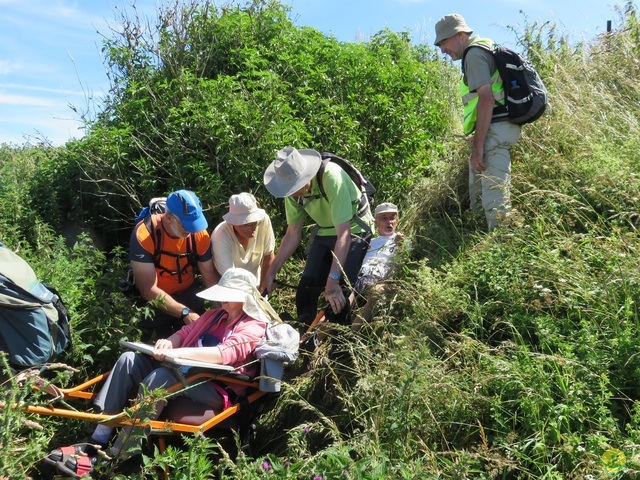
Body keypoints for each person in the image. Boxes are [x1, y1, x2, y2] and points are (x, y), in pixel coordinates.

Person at [47, 268, 274, 476]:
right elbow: (186, 332)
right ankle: (98, 439)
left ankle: (119, 455)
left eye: (229, 294)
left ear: (244, 297)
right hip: (183, 371)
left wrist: (180, 354)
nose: (223, 298)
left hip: (214, 386)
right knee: (128, 360)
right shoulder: (214, 316)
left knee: (162, 378)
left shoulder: (253, 325)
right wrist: (168, 343)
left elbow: (224, 354)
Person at [263, 146, 374, 326]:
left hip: (354, 229)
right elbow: (293, 233)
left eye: (297, 186)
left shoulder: (331, 176)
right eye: (290, 189)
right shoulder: (290, 191)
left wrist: (333, 282)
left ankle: (340, 348)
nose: (294, 193)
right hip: (325, 230)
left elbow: (343, 235)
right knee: (305, 293)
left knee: (338, 297)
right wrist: (271, 273)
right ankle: (304, 337)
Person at [434, 13, 522, 231]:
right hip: (495, 127)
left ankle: (501, 249)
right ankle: (479, 245)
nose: (442, 50)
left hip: (495, 131)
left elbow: (486, 99)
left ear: (461, 35)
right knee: (480, 196)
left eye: (444, 42)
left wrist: (478, 147)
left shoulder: (474, 54)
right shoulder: (485, 47)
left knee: (495, 200)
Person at [129, 189, 219, 340]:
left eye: (195, 224)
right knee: (156, 350)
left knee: (197, 342)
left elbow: (210, 278)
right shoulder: (144, 235)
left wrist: (220, 312)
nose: (191, 230)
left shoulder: (198, 233)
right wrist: (184, 312)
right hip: (155, 302)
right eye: (186, 225)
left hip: (188, 294)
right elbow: (147, 289)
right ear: (169, 218)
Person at [352, 202, 410, 328]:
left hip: (381, 282)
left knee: (377, 292)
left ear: (397, 221)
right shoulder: (367, 241)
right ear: (376, 222)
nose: (389, 222)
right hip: (358, 280)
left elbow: (406, 264)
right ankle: (316, 338)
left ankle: (352, 333)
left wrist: (401, 246)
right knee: (340, 299)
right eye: (384, 218)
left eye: (392, 218)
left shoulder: (404, 241)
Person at [211, 192, 276, 293]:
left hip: (256, 286)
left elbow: (269, 256)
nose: (253, 228)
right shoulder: (220, 236)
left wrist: (262, 289)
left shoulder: (263, 221)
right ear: (232, 222)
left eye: (255, 222)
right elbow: (230, 280)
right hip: (228, 291)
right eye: (246, 224)